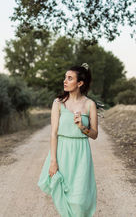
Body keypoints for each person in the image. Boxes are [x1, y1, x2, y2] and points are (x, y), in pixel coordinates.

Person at [37, 63, 98, 217]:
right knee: (63, 197)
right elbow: (53, 133)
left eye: (70, 78)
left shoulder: (90, 104)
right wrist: (53, 161)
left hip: (81, 154)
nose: (65, 81)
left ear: (80, 83)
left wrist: (82, 127)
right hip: (62, 152)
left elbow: (95, 134)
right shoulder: (58, 103)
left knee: (79, 200)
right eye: (65, 77)